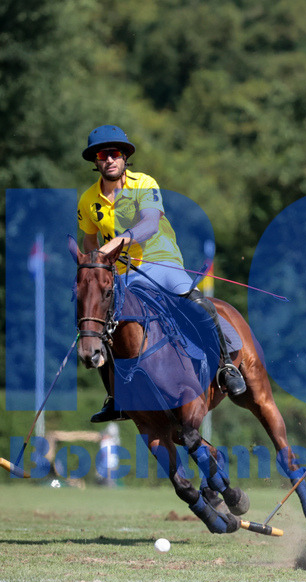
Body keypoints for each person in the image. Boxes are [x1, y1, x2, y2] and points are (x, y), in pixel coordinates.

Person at [77, 125, 245, 422]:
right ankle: (115, 397)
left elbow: (150, 224)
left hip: (161, 261)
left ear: (125, 157)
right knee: (100, 321)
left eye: (115, 153)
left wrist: (117, 241)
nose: (110, 159)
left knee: (196, 302)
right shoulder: (88, 201)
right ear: (96, 161)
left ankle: (226, 367)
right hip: (121, 276)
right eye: (103, 155)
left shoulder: (144, 183)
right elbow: (90, 245)